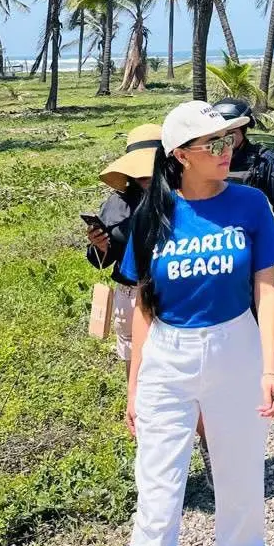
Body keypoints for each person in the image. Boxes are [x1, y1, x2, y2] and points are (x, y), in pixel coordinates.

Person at [83, 102, 274, 546]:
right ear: (180, 154)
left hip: (235, 346)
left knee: (241, 481)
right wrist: (134, 383)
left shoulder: (250, 205)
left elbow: (270, 286)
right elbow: (143, 305)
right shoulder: (153, 215)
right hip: (168, 360)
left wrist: (270, 366)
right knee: (156, 511)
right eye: (210, 142)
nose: (226, 149)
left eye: (227, 138)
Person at [86, 123, 161, 378]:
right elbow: (102, 259)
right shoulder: (116, 203)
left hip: (168, 291)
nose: (144, 177)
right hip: (129, 292)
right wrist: (100, 246)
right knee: (135, 365)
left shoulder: (181, 199)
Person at [213, 97, 274, 279]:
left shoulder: (262, 161)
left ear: (244, 131)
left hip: (251, 244)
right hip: (212, 244)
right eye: (220, 134)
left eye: (232, 133)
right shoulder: (205, 160)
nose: (225, 140)